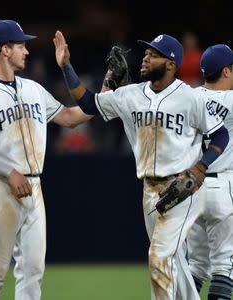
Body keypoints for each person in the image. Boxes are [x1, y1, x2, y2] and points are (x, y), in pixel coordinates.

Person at [53, 31, 229, 299]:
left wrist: (201, 167)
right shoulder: (131, 95)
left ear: (171, 64)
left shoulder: (191, 97)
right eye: (145, 54)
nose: (145, 59)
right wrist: (67, 67)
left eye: (153, 55)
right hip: (150, 190)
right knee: (177, 265)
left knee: (159, 258)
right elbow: (89, 102)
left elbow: (220, 134)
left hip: (183, 187)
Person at [0, 19, 93, 300]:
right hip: (0, 187)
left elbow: (69, 118)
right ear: (5, 50)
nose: (27, 51)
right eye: (22, 45)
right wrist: (9, 171)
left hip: (33, 188)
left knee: (33, 270)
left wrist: (104, 96)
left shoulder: (32, 88)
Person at [187, 44, 233, 300]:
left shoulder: (189, 98)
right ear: (225, 71)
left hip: (192, 187)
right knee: (224, 266)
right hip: (222, 186)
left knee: (196, 266)